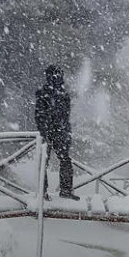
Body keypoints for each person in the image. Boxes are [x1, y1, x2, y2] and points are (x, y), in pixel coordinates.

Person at [35, 65, 80, 200]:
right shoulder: (49, 93)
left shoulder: (60, 94)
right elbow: (40, 115)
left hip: (59, 132)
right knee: (48, 161)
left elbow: (63, 115)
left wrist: (62, 130)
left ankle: (56, 191)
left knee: (57, 161)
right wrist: (45, 131)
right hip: (54, 132)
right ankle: (46, 192)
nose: (58, 77)